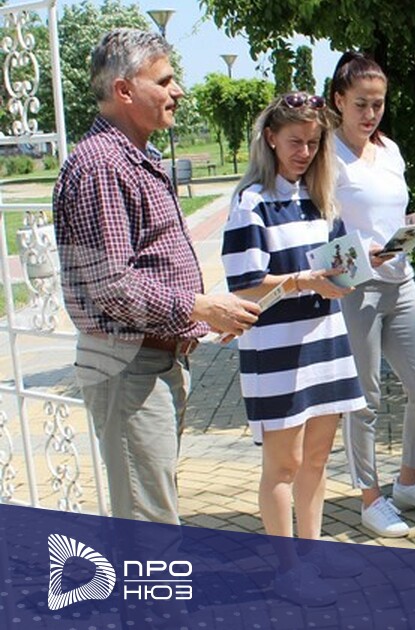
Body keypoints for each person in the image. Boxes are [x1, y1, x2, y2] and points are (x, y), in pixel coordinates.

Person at [54, 29, 259, 525]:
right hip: (129, 363)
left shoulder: (133, 158)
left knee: (152, 511)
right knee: (148, 525)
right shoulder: (103, 166)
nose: (178, 91)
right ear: (124, 90)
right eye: (164, 80)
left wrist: (200, 317)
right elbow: (113, 286)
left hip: (152, 360)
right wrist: (200, 307)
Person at [222, 92, 367, 603]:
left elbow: (338, 263)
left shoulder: (320, 197)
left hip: (325, 341)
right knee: (283, 465)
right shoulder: (250, 203)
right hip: (276, 350)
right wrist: (305, 281)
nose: (305, 152)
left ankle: (312, 553)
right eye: (295, 142)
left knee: (317, 459)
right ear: (270, 139)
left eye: (313, 142)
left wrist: (363, 262)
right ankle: (288, 571)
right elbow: (244, 286)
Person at [328, 51, 415, 538]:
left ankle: (409, 481)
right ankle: (370, 498)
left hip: (401, 280)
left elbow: (387, 214)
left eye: (378, 104)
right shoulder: (326, 155)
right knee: (364, 399)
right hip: (356, 287)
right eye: (361, 103)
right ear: (338, 100)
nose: (371, 113)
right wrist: (362, 253)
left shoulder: (391, 150)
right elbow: (319, 232)